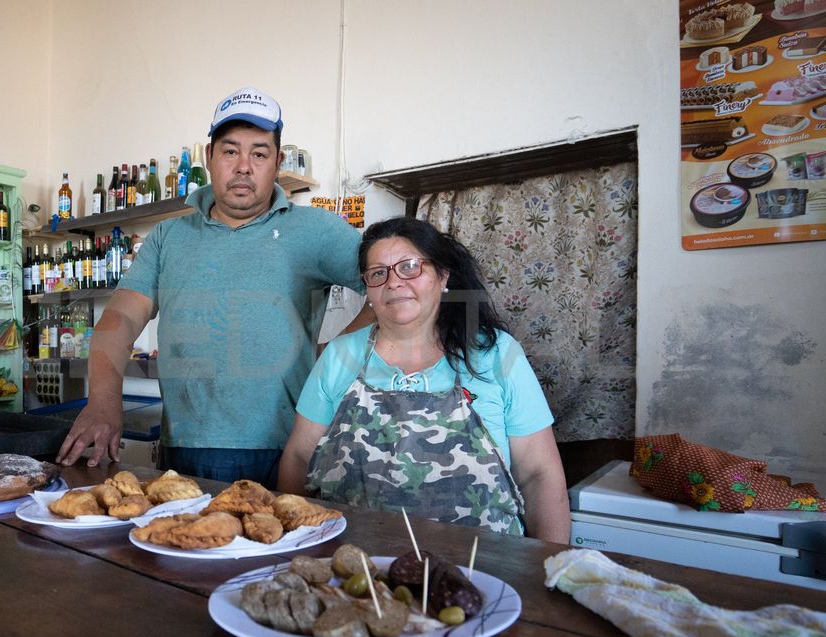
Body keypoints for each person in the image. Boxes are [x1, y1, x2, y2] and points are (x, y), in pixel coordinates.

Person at [56, 86, 371, 487]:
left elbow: (393, 288)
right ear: (209, 157)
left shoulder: (317, 231)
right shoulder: (167, 237)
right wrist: (103, 401)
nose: (244, 167)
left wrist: (336, 354)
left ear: (277, 162)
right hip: (184, 447)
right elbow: (120, 318)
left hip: (288, 447)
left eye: (259, 154)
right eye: (230, 151)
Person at [276, 217, 571, 544]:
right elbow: (299, 458)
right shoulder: (340, 355)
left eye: (410, 267)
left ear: (442, 275)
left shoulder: (496, 353)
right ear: (368, 289)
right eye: (378, 273)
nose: (393, 282)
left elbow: (539, 475)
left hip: (485, 564)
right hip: (353, 562)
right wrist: (292, 546)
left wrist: (549, 563)